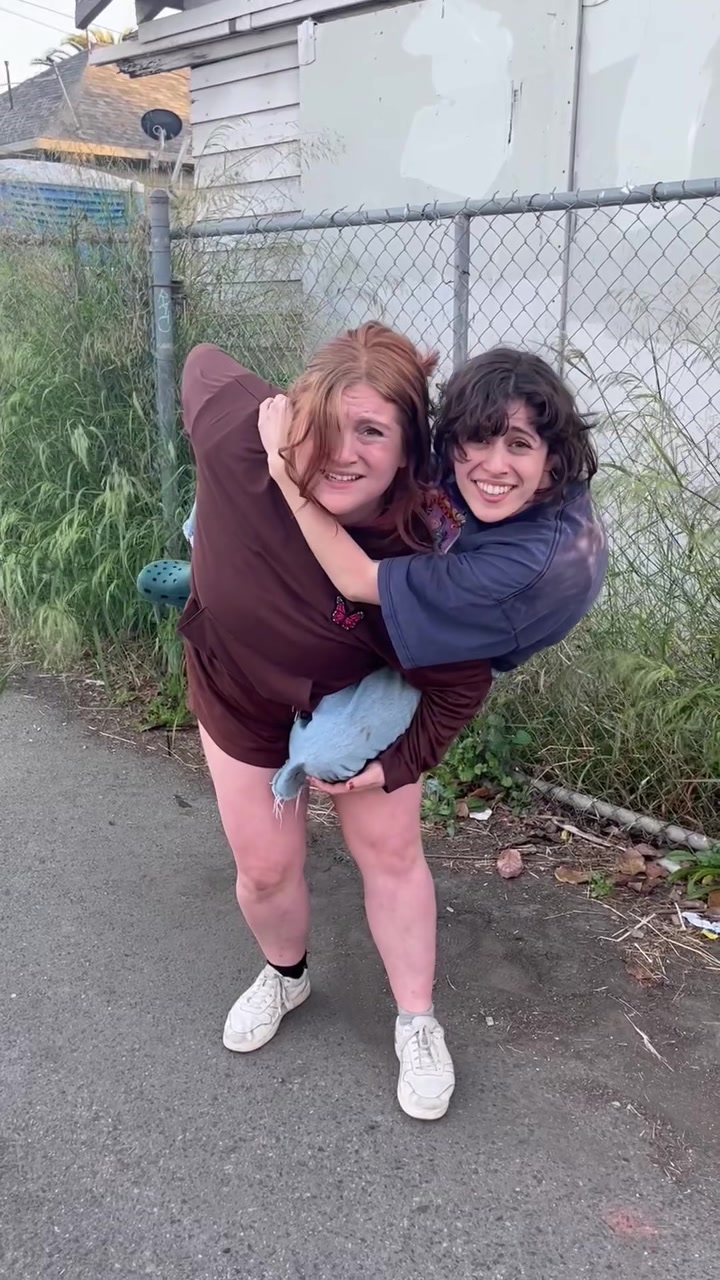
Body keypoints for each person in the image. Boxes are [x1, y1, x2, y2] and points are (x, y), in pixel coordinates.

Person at [179, 322, 495, 1122]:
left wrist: (394, 766)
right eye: (325, 424)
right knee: (264, 870)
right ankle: (285, 976)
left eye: (372, 432)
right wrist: (276, 414)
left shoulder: (423, 551)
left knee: (389, 852)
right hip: (235, 683)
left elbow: (457, 690)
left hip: (356, 698)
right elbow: (203, 362)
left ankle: (417, 1021)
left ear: (410, 449)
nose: (342, 453)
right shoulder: (236, 434)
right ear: (294, 415)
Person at [256, 345, 607, 763]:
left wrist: (284, 471)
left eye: (518, 444)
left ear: (552, 458)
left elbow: (359, 581)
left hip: (471, 637)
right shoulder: (469, 469)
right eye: (479, 438)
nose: (495, 465)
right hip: (435, 563)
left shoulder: (533, 566)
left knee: (323, 754)